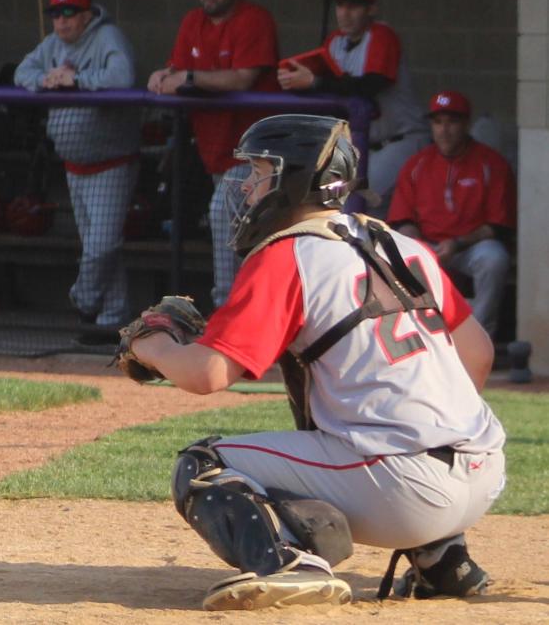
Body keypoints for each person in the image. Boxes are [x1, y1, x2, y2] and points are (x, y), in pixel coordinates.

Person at [119, 114, 505, 611]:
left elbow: (206, 374)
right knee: (376, 430)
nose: (250, 186)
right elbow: (479, 354)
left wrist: (149, 344)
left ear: (296, 178)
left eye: (260, 172)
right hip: (486, 469)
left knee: (203, 463)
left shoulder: (287, 254)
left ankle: (288, 563)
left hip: (404, 491)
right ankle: (443, 557)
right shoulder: (401, 244)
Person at [147, 0, 279, 310]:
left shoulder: (254, 20)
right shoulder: (193, 22)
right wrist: (165, 74)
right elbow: (179, 66)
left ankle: (228, 311)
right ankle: (247, 311)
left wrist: (187, 78)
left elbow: (242, 78)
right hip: (216, 149)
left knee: (224, 214)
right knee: (241, 234)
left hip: (258, 153)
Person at [14, 0, 139, 338]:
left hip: (112, 162)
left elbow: (123, 76)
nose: (62, 22)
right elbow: (22, 72)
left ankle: (83, 301)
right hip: (75, 165)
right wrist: (46, 79)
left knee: (101, 245)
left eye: (69, 14)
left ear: (86, 15)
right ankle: (112, 319)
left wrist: (77, 80)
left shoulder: (107, 37)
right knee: (101, 248)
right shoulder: (52, 45)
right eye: (55, 14)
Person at [277, 0, 428, 210]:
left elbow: (369, 86)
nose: (345, 13)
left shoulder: (382, 35)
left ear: (372, 9)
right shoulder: (334, 41)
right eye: (341, 5)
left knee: (349, 202)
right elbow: (326, 88)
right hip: (362, 146)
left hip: (402, 141)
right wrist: (295, 79)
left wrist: (315, 82)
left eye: (354, 6)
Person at [387, 91, 515, 338]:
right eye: (438, 122)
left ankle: (479, 337)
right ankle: (421, 340)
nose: (444, 130)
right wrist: (422, 247)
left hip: (469, 247)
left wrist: (456, 244)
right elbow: (403, 220)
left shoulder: (491, 163)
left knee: (494, 258)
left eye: (452, 122)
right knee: (398, 256)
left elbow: (499, 226)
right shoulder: (417, 164)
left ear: (466, 124)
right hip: (430, 247)